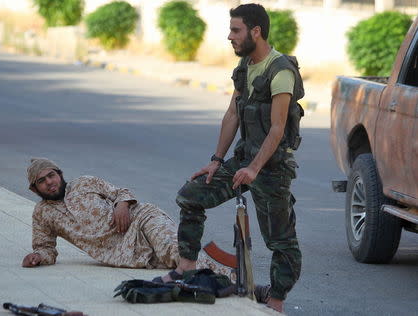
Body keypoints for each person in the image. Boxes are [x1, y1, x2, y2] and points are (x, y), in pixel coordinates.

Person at [156, 3, 304, 313]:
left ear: (255, 31)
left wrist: (254, 168)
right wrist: (217, 159)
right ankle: (186, 269)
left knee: (281, 241)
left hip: (272, 168)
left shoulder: (281, 71)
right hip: (243, 159)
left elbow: (277, 129)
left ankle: (275, 300)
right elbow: (232, 115)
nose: (230, 37)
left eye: (235, 30)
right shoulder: (245, 68)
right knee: (191, 195)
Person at [22, 157, 230, 277]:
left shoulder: (84, 182)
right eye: (42, 181)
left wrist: (122, 205)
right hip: (126, 253)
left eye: (52, 175)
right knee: (173, 263)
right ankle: (224, 281)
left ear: (59, 174)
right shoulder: (43, 214)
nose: (50, 182)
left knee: (175, 250)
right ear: (34, 189)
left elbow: (120, 192)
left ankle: (240, 284)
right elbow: (45, 247)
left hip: (142, 219)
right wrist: (38, 257)